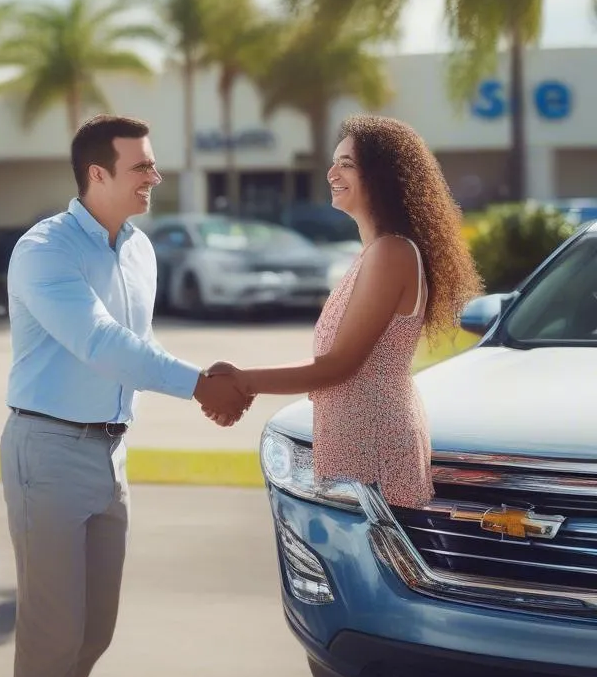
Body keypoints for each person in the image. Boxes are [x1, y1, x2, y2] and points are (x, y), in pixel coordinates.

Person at [1, 113, 249, 677]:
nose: (154, 177)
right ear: (97, 174)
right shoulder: (44, 250)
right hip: (46, 451)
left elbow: (132, 352)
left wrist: (201, 380)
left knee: (91, 636)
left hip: (111, 457)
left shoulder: (140, 249)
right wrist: (202, 383)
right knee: (51, 643)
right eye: (141, 166)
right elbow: (104, 343)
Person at [207, 115, 483, 508]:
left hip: (376, 445)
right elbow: (335, 362)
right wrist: (245, 382)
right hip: (361, 442)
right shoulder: (375, 253)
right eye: (334, 162)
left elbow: (339, 365)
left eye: (347, 164)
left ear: (383, 176)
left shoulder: (391, 253)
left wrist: (243, 381)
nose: (331, 173)